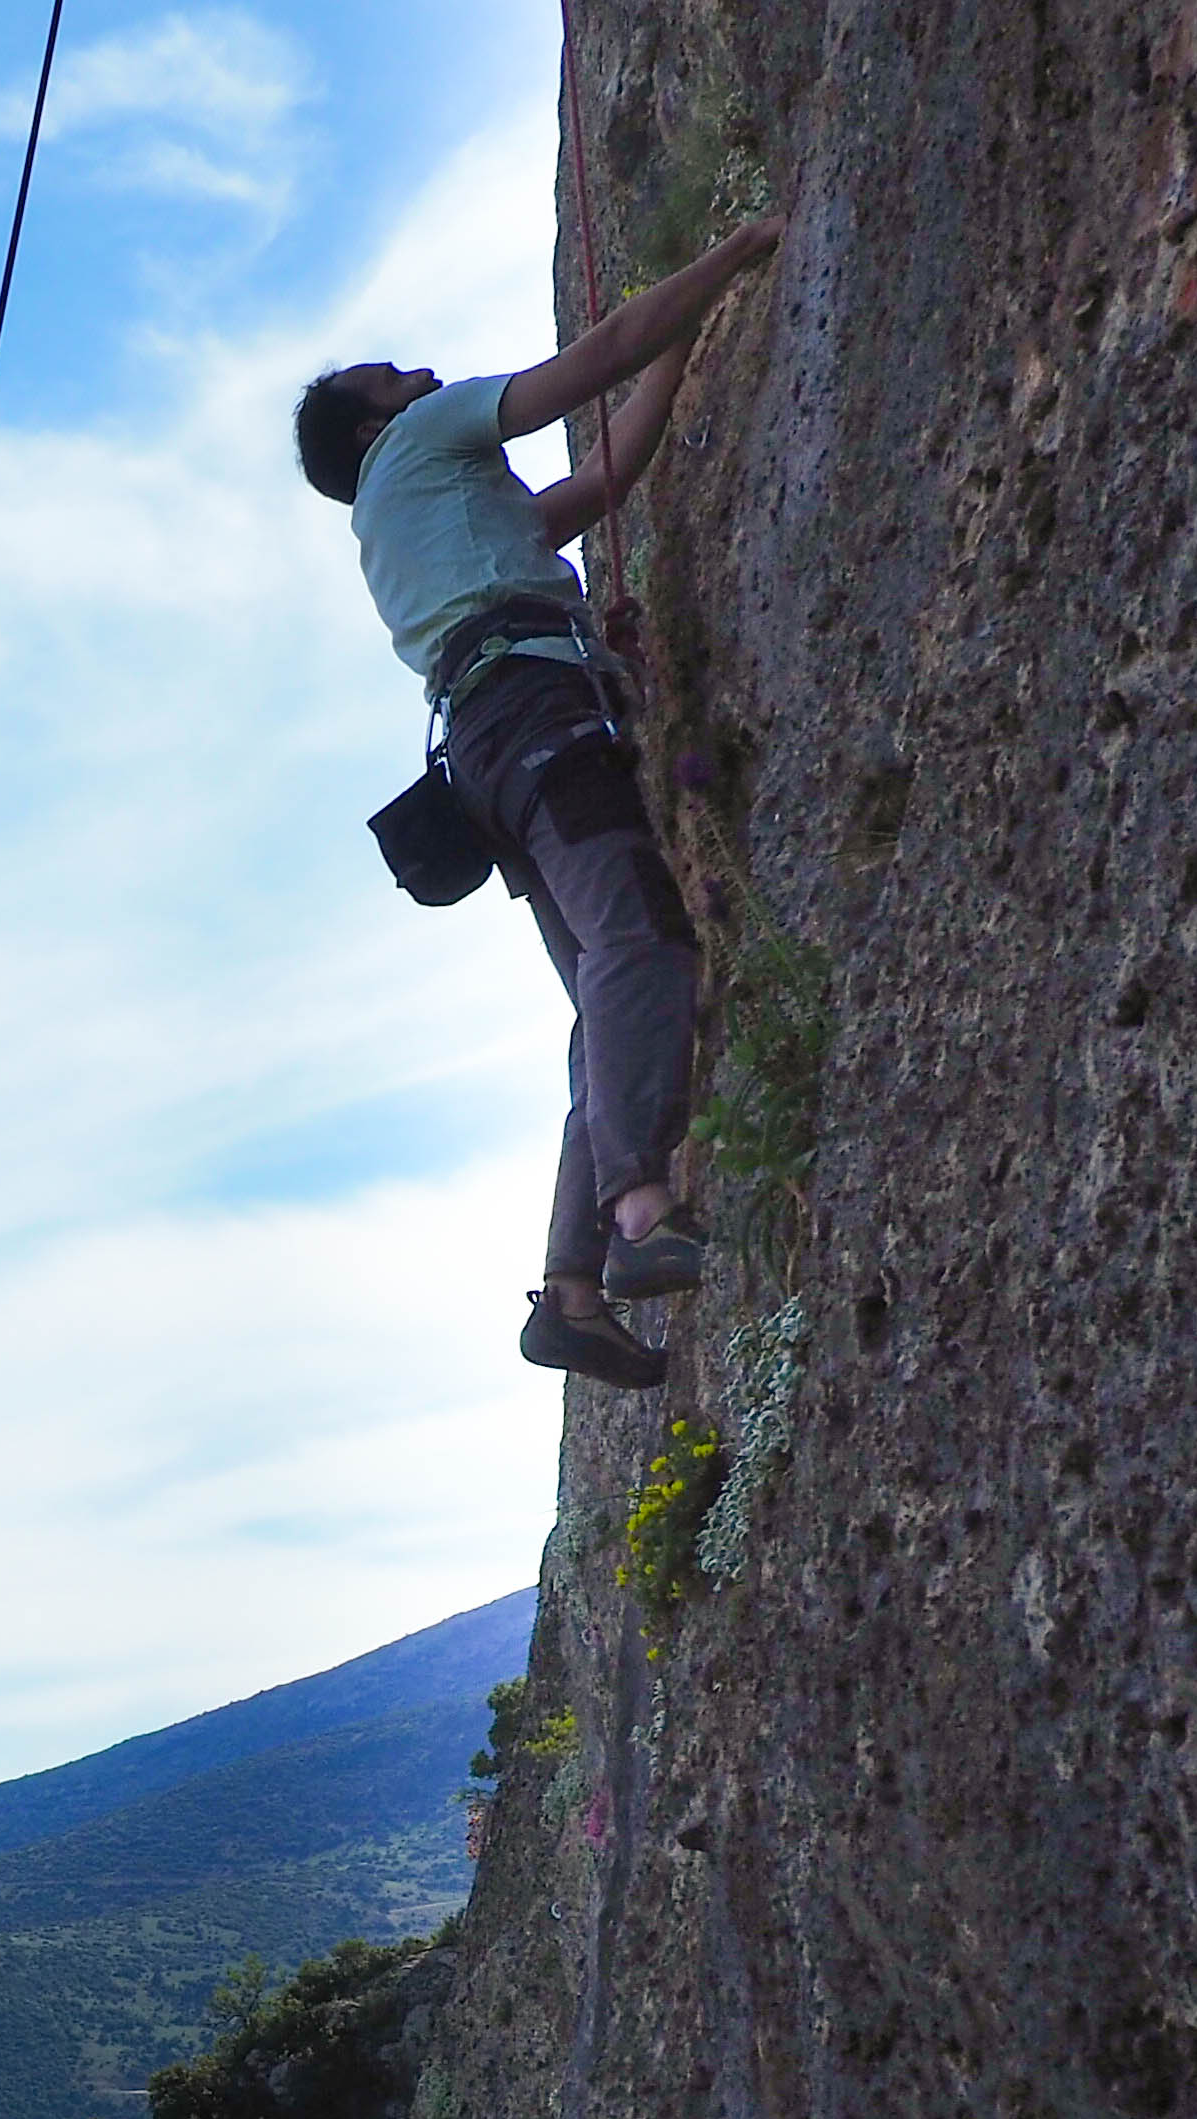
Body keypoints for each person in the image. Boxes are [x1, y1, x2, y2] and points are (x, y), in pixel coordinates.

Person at [300, 214, 783, 1389]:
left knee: (601, 1000)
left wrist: (696, 329)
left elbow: (608, 472)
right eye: (393, 378)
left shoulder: (431, 525)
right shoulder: (425, 436)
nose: (416, 373)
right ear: (381, 421)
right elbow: (596, 357)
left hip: (491, 752)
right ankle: (639, 1207)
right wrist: (731, 253)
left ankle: (570, 1290)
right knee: (645, 939)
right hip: (536, 719)